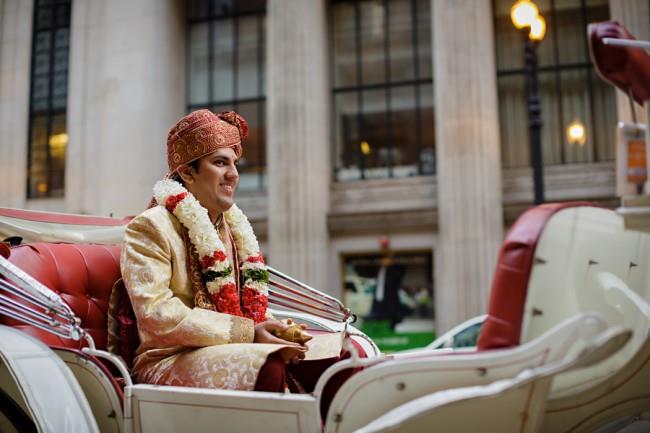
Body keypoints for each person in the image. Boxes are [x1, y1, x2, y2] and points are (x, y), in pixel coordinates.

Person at [120, 109, 307, 392]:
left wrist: (273, 330)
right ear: (186, 172)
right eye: (220, 163)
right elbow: (156, 313)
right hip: (167, 360)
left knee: (333, 356)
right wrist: (249, 334)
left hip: (232, 349)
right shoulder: (150, 227)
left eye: (234, 164)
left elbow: (245, 309)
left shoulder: (232, 229)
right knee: (266, 363)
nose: (233, 175)